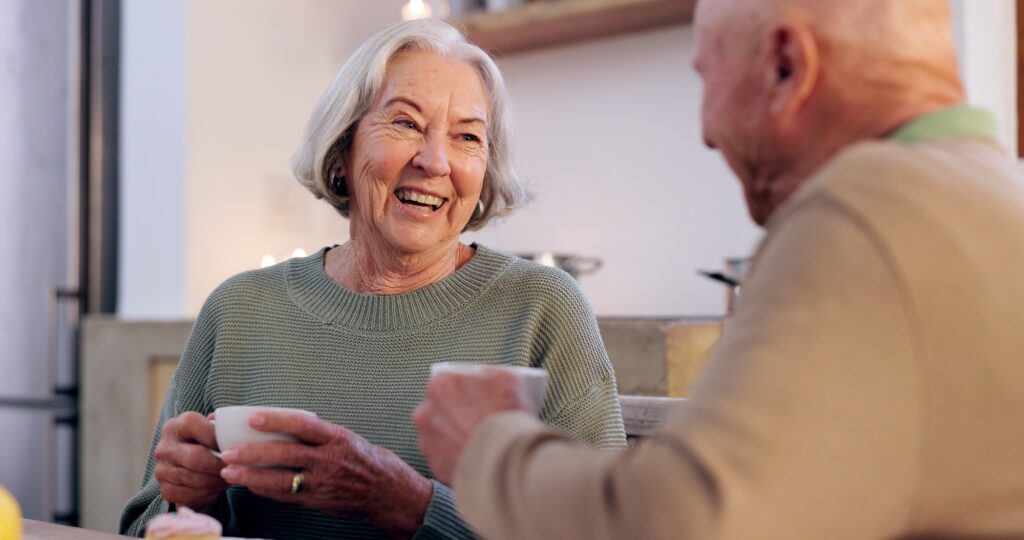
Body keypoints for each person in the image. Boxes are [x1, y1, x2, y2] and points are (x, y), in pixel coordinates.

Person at [414, 0, 1024, 537]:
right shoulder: (991, 194)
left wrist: (485, 447)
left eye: (706, 75)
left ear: (786, 66)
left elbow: (686, 521)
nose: (706, 131)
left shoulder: (864, 215)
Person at [119, 19, 625, 540]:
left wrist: (413, 506)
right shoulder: (240, 309)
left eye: (467, 137)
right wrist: (189, 500)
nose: (434, 161)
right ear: (343, 147)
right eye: (405, 124)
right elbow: (141, 527)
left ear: (486, 172)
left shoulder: (540, 307)